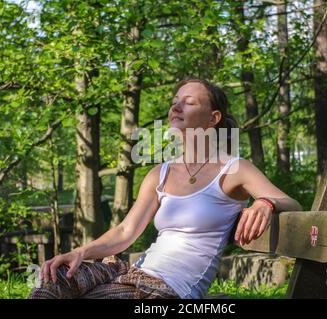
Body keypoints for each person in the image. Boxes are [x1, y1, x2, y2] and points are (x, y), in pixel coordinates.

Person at [28, 77, 302, 299]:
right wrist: (80, 253)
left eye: (188, 102)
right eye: (174, 102)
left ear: (213, 118)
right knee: (53, 281)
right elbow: (125, 232)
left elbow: (292, 204)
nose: (176, 107)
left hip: (167, 290)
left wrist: (265, 202)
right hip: (128, 274)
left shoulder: (233, 168)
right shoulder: (159, 174)